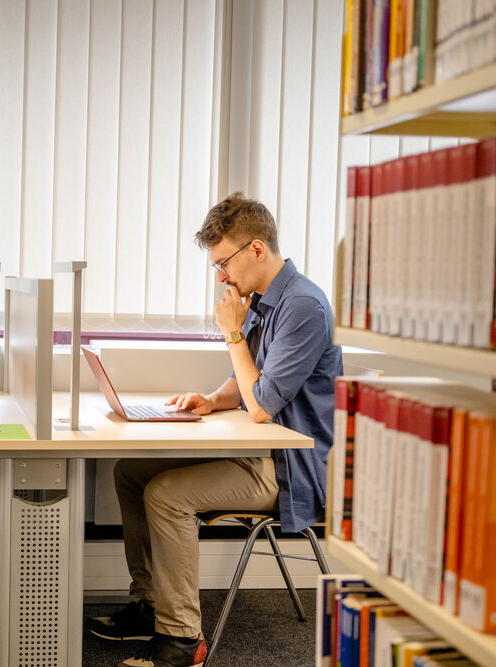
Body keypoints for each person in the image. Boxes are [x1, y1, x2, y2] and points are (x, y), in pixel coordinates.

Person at [87, 193, 342, 667]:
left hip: (289, 468)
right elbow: (252, 381)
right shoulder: (268, 299)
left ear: (257, 249)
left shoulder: (304, 306)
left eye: (224, 262)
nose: (222, 275)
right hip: (262, 452)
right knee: (131, 472)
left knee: (166, 495)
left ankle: (183, 641)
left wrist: (232, 333)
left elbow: (263, 404)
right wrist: (213, 399)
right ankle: (151, 606)